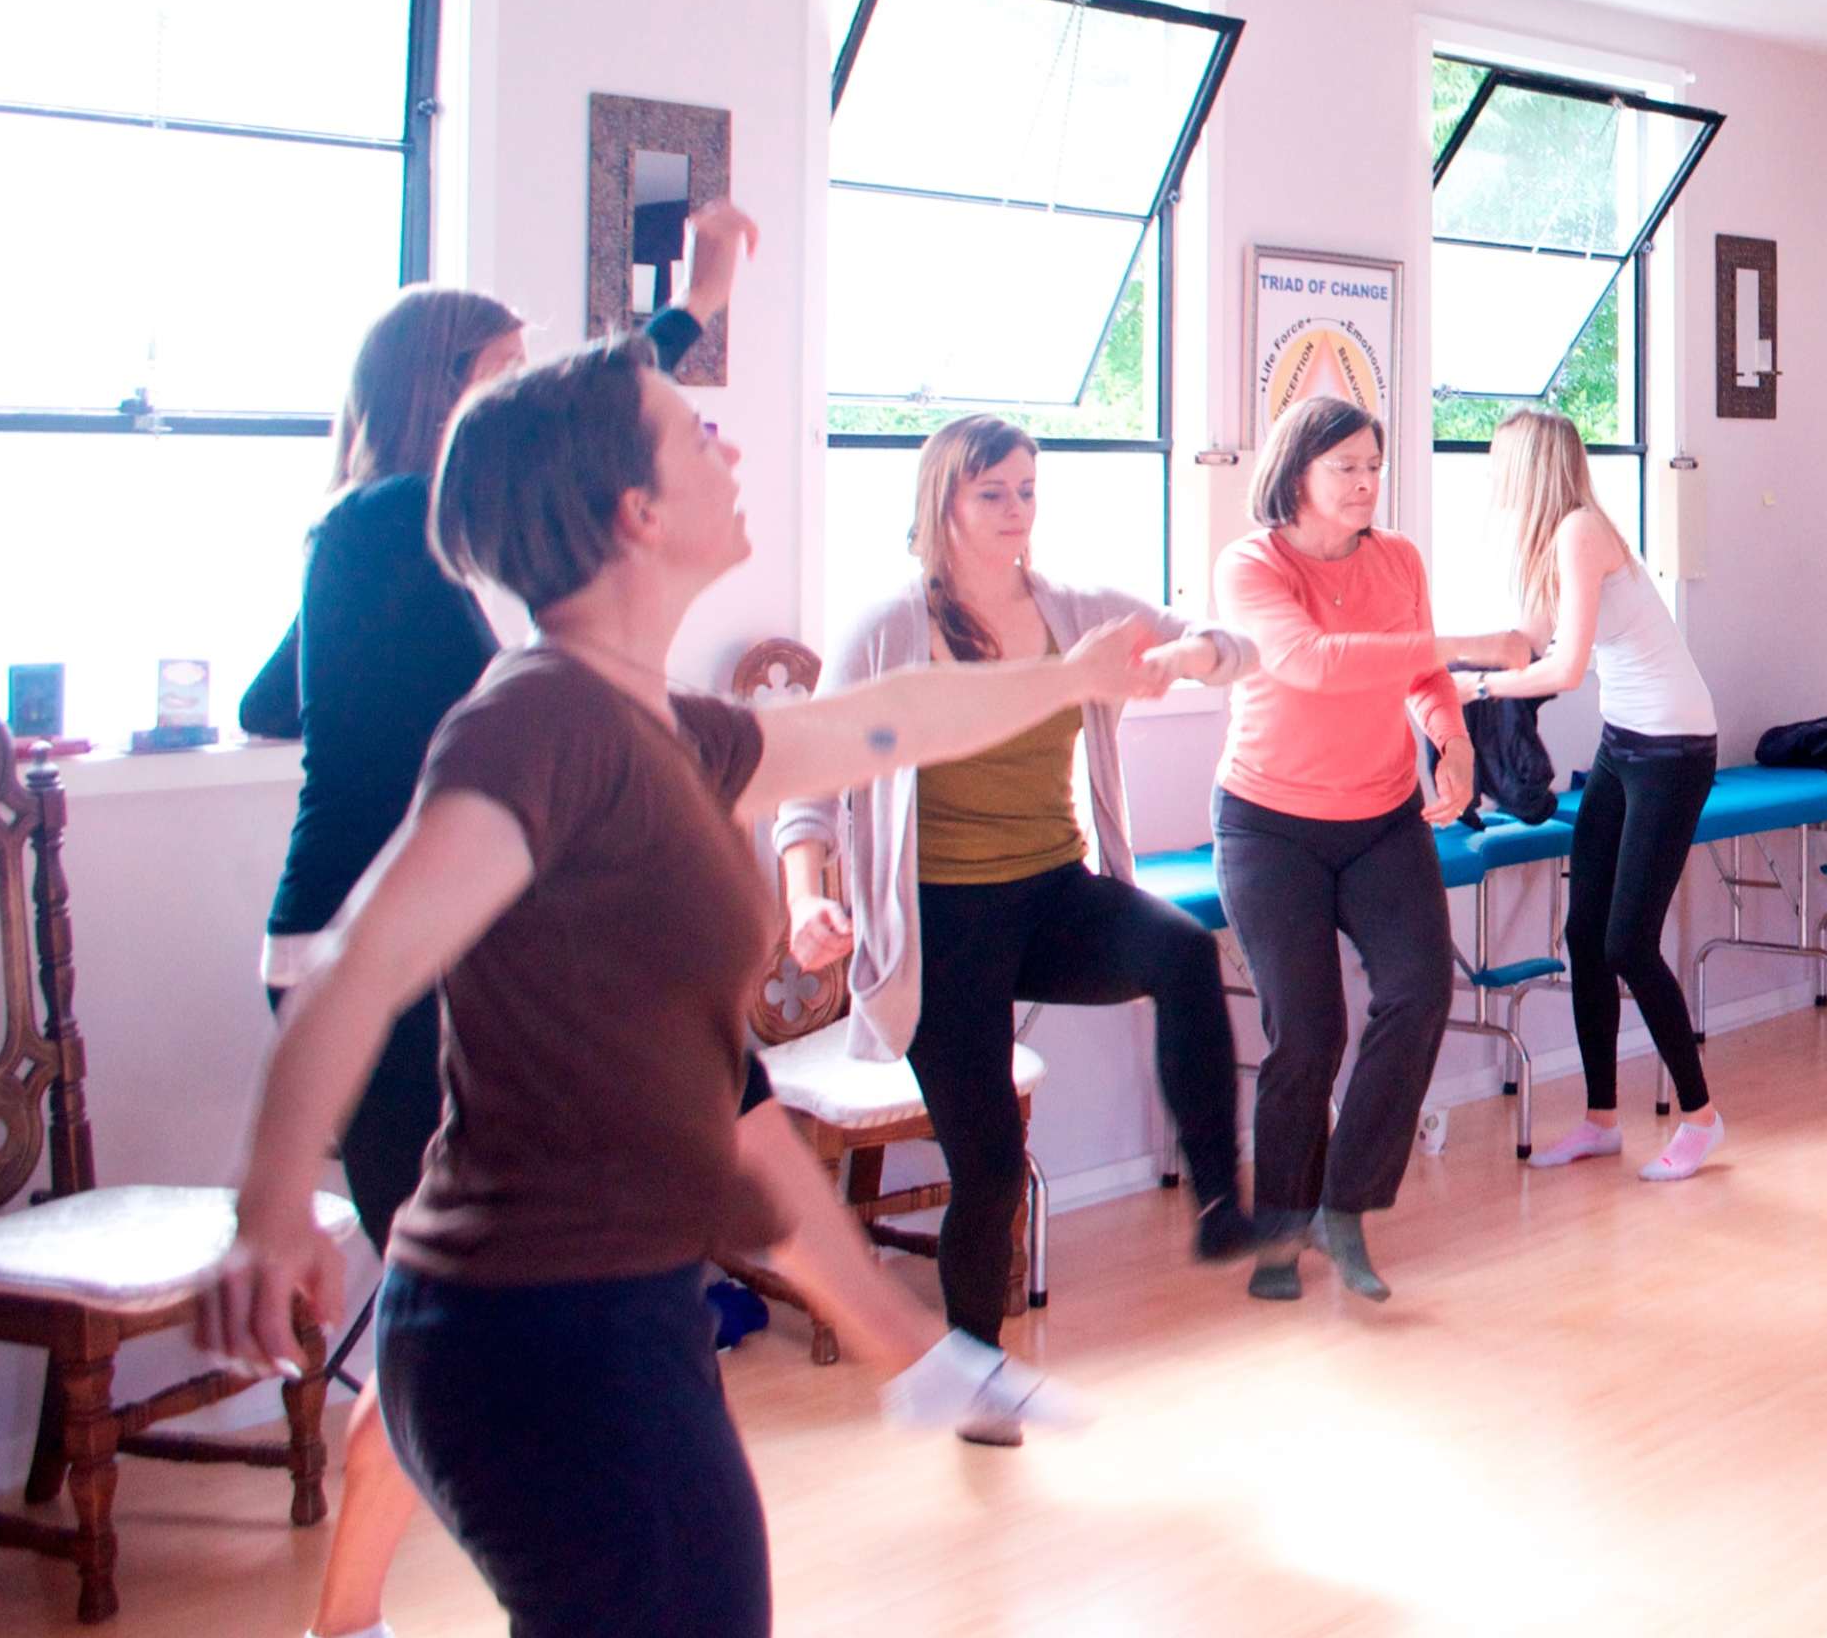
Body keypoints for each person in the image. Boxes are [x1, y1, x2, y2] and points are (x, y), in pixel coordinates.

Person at [205, 332, 1177, 1638]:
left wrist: (1073, 673)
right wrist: (268, 1211)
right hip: (535, 1331)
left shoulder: (658, 723)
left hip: (622, 1312)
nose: (727, 443)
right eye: (690, 429)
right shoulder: (539, 720)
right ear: (636, 511)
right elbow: (356, 964)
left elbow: (875, 729)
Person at [777, 412, 1262, 1388]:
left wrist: (1192, 656)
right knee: (989, 1163)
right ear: (942, 501)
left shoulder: (1075, 608)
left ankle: (1219, 1199)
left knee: (1180, 950)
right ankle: (975, 1365)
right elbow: (807, 785)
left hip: (1053, 896)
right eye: (990, 491)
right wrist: (803, 904)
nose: (1014, 510)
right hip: (938, 924)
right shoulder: (887, 628)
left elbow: (1234, 646)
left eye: (1027, 490)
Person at [1211, 394, 1528, 1304]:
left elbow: (1417, 672)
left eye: (1372, 465)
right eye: (1343, 466)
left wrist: (1454, 739)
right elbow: (1313, 659)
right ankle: (1280, 1224)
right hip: (1270, 824)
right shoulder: (1251, 565)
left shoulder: (1397, 560)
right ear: (1296, 472)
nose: (1363, 482)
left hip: (1383, 815)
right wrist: (1476, 644)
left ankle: (1341, 1206)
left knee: (1422, 991)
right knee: (1307, 1032)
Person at [1471, 406, 1728, 1182]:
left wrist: (1473, 686)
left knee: (1627, 942)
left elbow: (1565, 669)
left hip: (1675, 747)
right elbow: (1525, 643)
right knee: (1584, 934)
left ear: (1530, 467)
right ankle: (1600, 1119)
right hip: (1624, 746)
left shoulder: (1581, 531)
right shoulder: (1557, 541)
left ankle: (1702, 1117)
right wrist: (1434, 658)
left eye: (1500, 465)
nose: (1494, 482)